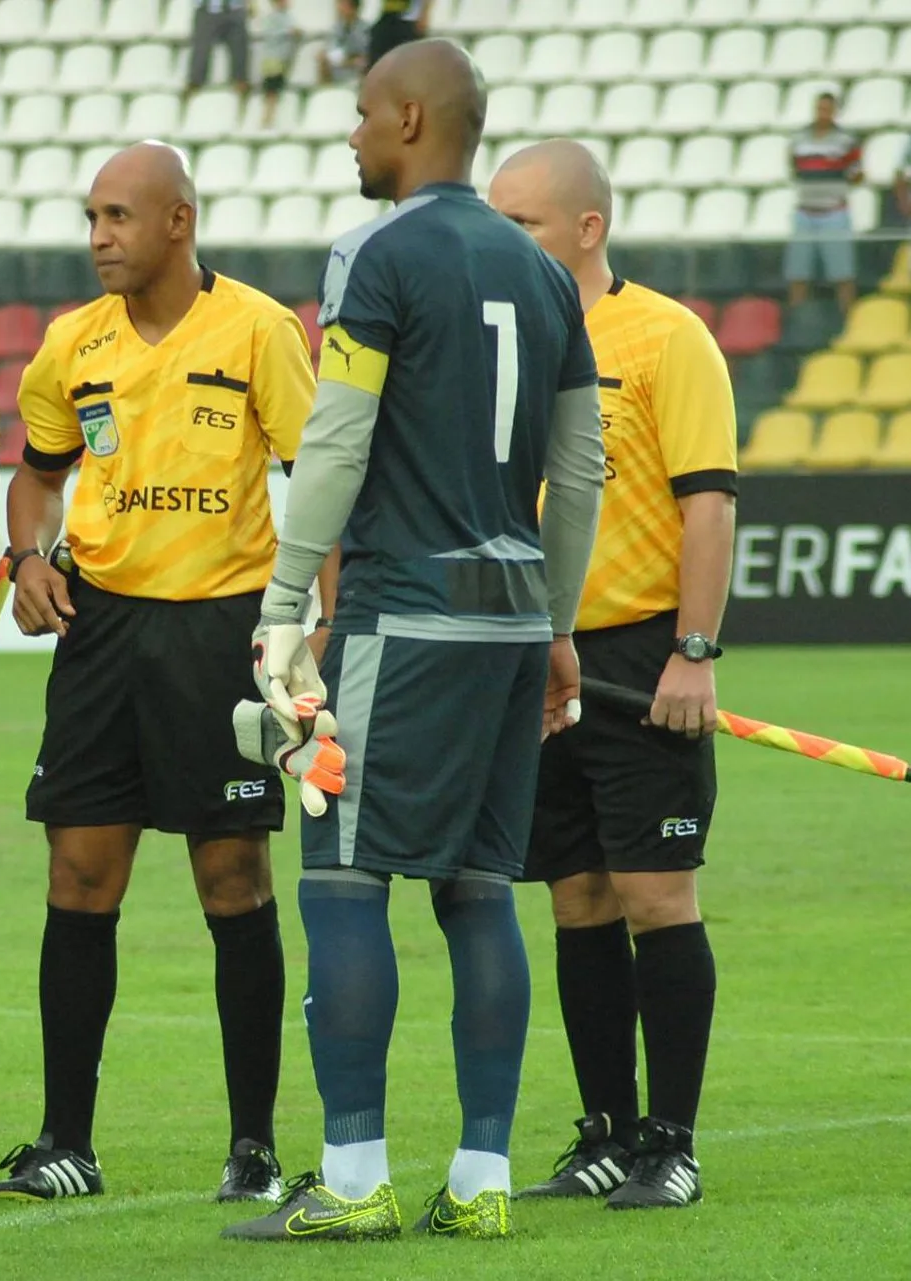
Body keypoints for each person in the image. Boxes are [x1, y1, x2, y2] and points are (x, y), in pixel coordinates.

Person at [226, 40, 604, 1244]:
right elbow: (580, 470)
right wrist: (557, 621)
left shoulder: (384, 260)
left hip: (405, 613)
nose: (348, 136)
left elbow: (335, 443)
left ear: (405, 118)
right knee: (482, 889)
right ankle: (482, 1186)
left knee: (342, 878)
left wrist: (288, 599)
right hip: (506, 621)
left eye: (355, 117)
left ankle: (350, 1180)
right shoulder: (547, 277)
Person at [0, 141, 318, 1205]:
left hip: (221, 635)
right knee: (79, 875)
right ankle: (65, 1142)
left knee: (233, 880)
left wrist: (320, 623)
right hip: (102, 634)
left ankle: (255, 1147)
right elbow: (34, 480)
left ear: (179, 221)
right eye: (92, 217)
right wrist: (26, 559)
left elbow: (321, 484)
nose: (99, 239)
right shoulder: (71, 344)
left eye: (119, 218)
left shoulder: (261, 330)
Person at [488, 139, 736, 1210]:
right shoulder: (497, 343)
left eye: (525, 227)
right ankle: (604, 1132)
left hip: (640, 654)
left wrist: (693, 651)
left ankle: (670, 1145)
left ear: (586, 228)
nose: (504, 246)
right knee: (575, 897)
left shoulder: (668, 337)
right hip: (531, 658)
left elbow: (710, 503)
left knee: (652, 894)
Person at [786, 91, 863, 312]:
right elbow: (794, 167)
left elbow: (857, 173)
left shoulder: (846, 141)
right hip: (805, 211)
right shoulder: (799, 139)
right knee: (798, 272)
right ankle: (796, 319)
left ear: (835, 112)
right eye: (820, 109)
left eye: (827, 109)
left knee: (843, 273)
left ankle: (848, 320)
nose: (823, 113)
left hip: (834, 211)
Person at [186, 0, 251, 98]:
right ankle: (195, 80)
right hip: (207, 10)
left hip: (234, 9)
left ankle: (240, 79)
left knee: (239, 45)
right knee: (201, 47)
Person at [255, 0, 300, 130]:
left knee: (278, 89)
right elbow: (269, 34)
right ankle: (267, 119)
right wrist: (288, 32)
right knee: (271, 90)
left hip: (283, 61)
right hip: (272, 60)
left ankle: (272, 119)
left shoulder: (288, 17)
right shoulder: (271, 18)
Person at [316, 0, 372, 86]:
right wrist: (345, 60)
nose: (339, 8)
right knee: (322, 58)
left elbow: (363, 56)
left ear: (353, 8)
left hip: (356, 75)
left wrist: (346, 60)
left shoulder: (366, 29)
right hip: (337, 70)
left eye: (342, 4)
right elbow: (332, 50)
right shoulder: (336, 28)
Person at [367, 0, 433, 68]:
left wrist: (424, 13)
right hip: (388, 15)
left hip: (409, 18)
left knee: (408, 60)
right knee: (378, 58)